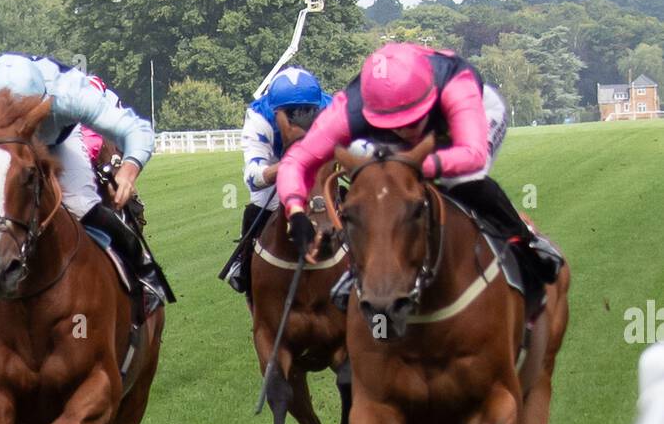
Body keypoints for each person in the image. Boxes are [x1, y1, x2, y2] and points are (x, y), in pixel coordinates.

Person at [277, 42, 563, 304]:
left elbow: (473, 155)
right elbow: (297, 161)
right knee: (377, 192)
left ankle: (525, 245)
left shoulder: (456, 84)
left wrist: (410, 168)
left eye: (413, 119)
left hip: (470, 119)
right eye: (396, 124)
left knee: (460, 180)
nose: (406, 129)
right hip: (396, 136)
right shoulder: (347, 108)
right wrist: (295, 210)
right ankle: (359, 270)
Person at [0, 54, 171, 333]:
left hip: (55, 142)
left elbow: (136, 129)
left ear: (43, 102)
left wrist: (129, 169)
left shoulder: (68, 93)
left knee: (83, 203)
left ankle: (142, 269)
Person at [220, 66, 331, 296]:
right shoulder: (259, 116)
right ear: (277, 112)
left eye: (308, 111)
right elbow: (253, 176)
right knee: (260, 206)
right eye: (292, 113)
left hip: (319, 172)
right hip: (274, 169)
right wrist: (291, 165)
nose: (300, 120)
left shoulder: (331, 110)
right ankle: (245, 265)